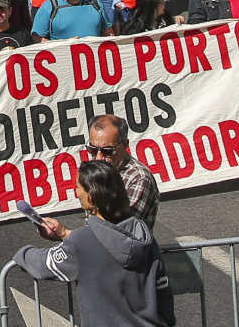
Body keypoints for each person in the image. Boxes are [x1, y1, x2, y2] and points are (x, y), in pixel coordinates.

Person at [14, 159, 172, 327]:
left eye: (77, 188)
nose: (76, 193)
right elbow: (163, 292)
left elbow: (42, 265)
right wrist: (62, 233)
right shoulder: (145, 236)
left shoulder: (81, 242)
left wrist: (22, 254)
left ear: (90, 197)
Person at [84, 114, 158, 227]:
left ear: (125, 145)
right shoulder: (97, 173)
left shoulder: (139, 178)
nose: (98, 158)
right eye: (92, 150)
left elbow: (118, 231)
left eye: (107, 151)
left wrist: (66, 234)